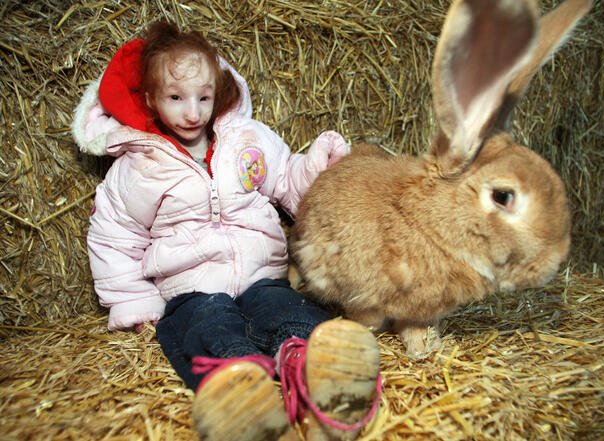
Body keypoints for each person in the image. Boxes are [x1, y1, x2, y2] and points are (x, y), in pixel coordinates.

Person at [71, 22, 381, 441]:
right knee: (207, 324)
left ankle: (319, 367)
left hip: (261, 275)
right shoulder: (140, 165)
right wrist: (132, 301)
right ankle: (241, 389)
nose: (193, 112)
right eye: (176, 98)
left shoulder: (246, 139)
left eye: (203, 97)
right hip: (189, 286)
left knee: (286, 310)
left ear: (218, 92)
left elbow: (287, 182)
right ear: (150, 99)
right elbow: (115, 235)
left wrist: (316, 170)